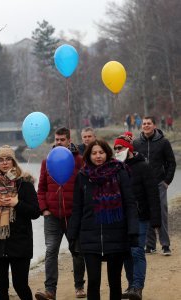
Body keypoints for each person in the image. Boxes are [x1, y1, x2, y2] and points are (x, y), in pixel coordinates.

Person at [68, 139, 139, 300]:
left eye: (101, 152)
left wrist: (132, 231)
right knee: (93, 281)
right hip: (89, 235)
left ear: (107, 153)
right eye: (94, 153)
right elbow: (77, 208)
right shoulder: (82, 176)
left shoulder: (120, 172)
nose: (98, 156)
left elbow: (129, 203)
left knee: (114, 281)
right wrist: (72, 236)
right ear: (89, 155)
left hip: (116, 234)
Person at [0, 145, 41, 300]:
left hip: (20, 242)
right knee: (1, 287)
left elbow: (35, 212)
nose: (4, 163)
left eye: (8, 159)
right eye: (1, 160)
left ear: (14, 162)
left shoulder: (24, 183)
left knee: (20, 285)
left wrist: (16, 203)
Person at [35, 127, 86, 300]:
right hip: (52, 216)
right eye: (56, 139)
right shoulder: (46, 162)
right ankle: (50, 290)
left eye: (62, 139)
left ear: (69, 140)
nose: (58, 142)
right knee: (51, 251)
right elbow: (41, 189)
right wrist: (44, 209)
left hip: (73, 215)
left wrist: (81, 211)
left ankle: (79, 286)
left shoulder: (78, 160)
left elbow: (85, 187)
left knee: (77, 251)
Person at [113, 132, 161, 300]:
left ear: (129, 148)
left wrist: (156, 219)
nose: (117, 150)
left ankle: (138, 287)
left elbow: (153, 194)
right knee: (126, 252)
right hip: (121, 217)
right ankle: (131, 285)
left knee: (137, 251)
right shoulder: (116, 168)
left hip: (140, 216)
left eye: (120, 147)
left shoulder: (143, 167)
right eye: (115, 148)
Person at [133, 116, 176, 255]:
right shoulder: (136, 143)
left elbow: (171, 163)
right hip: (143, 185)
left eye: (149, 123)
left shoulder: (163, 142)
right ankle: (150, 245)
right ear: (141, 126)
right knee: (146, 213)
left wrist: (167, 181)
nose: (146, 126)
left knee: (161, 213)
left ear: (154, 125)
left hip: (159, 183)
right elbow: (133, 163)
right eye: (144, 124)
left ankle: (165, 245)